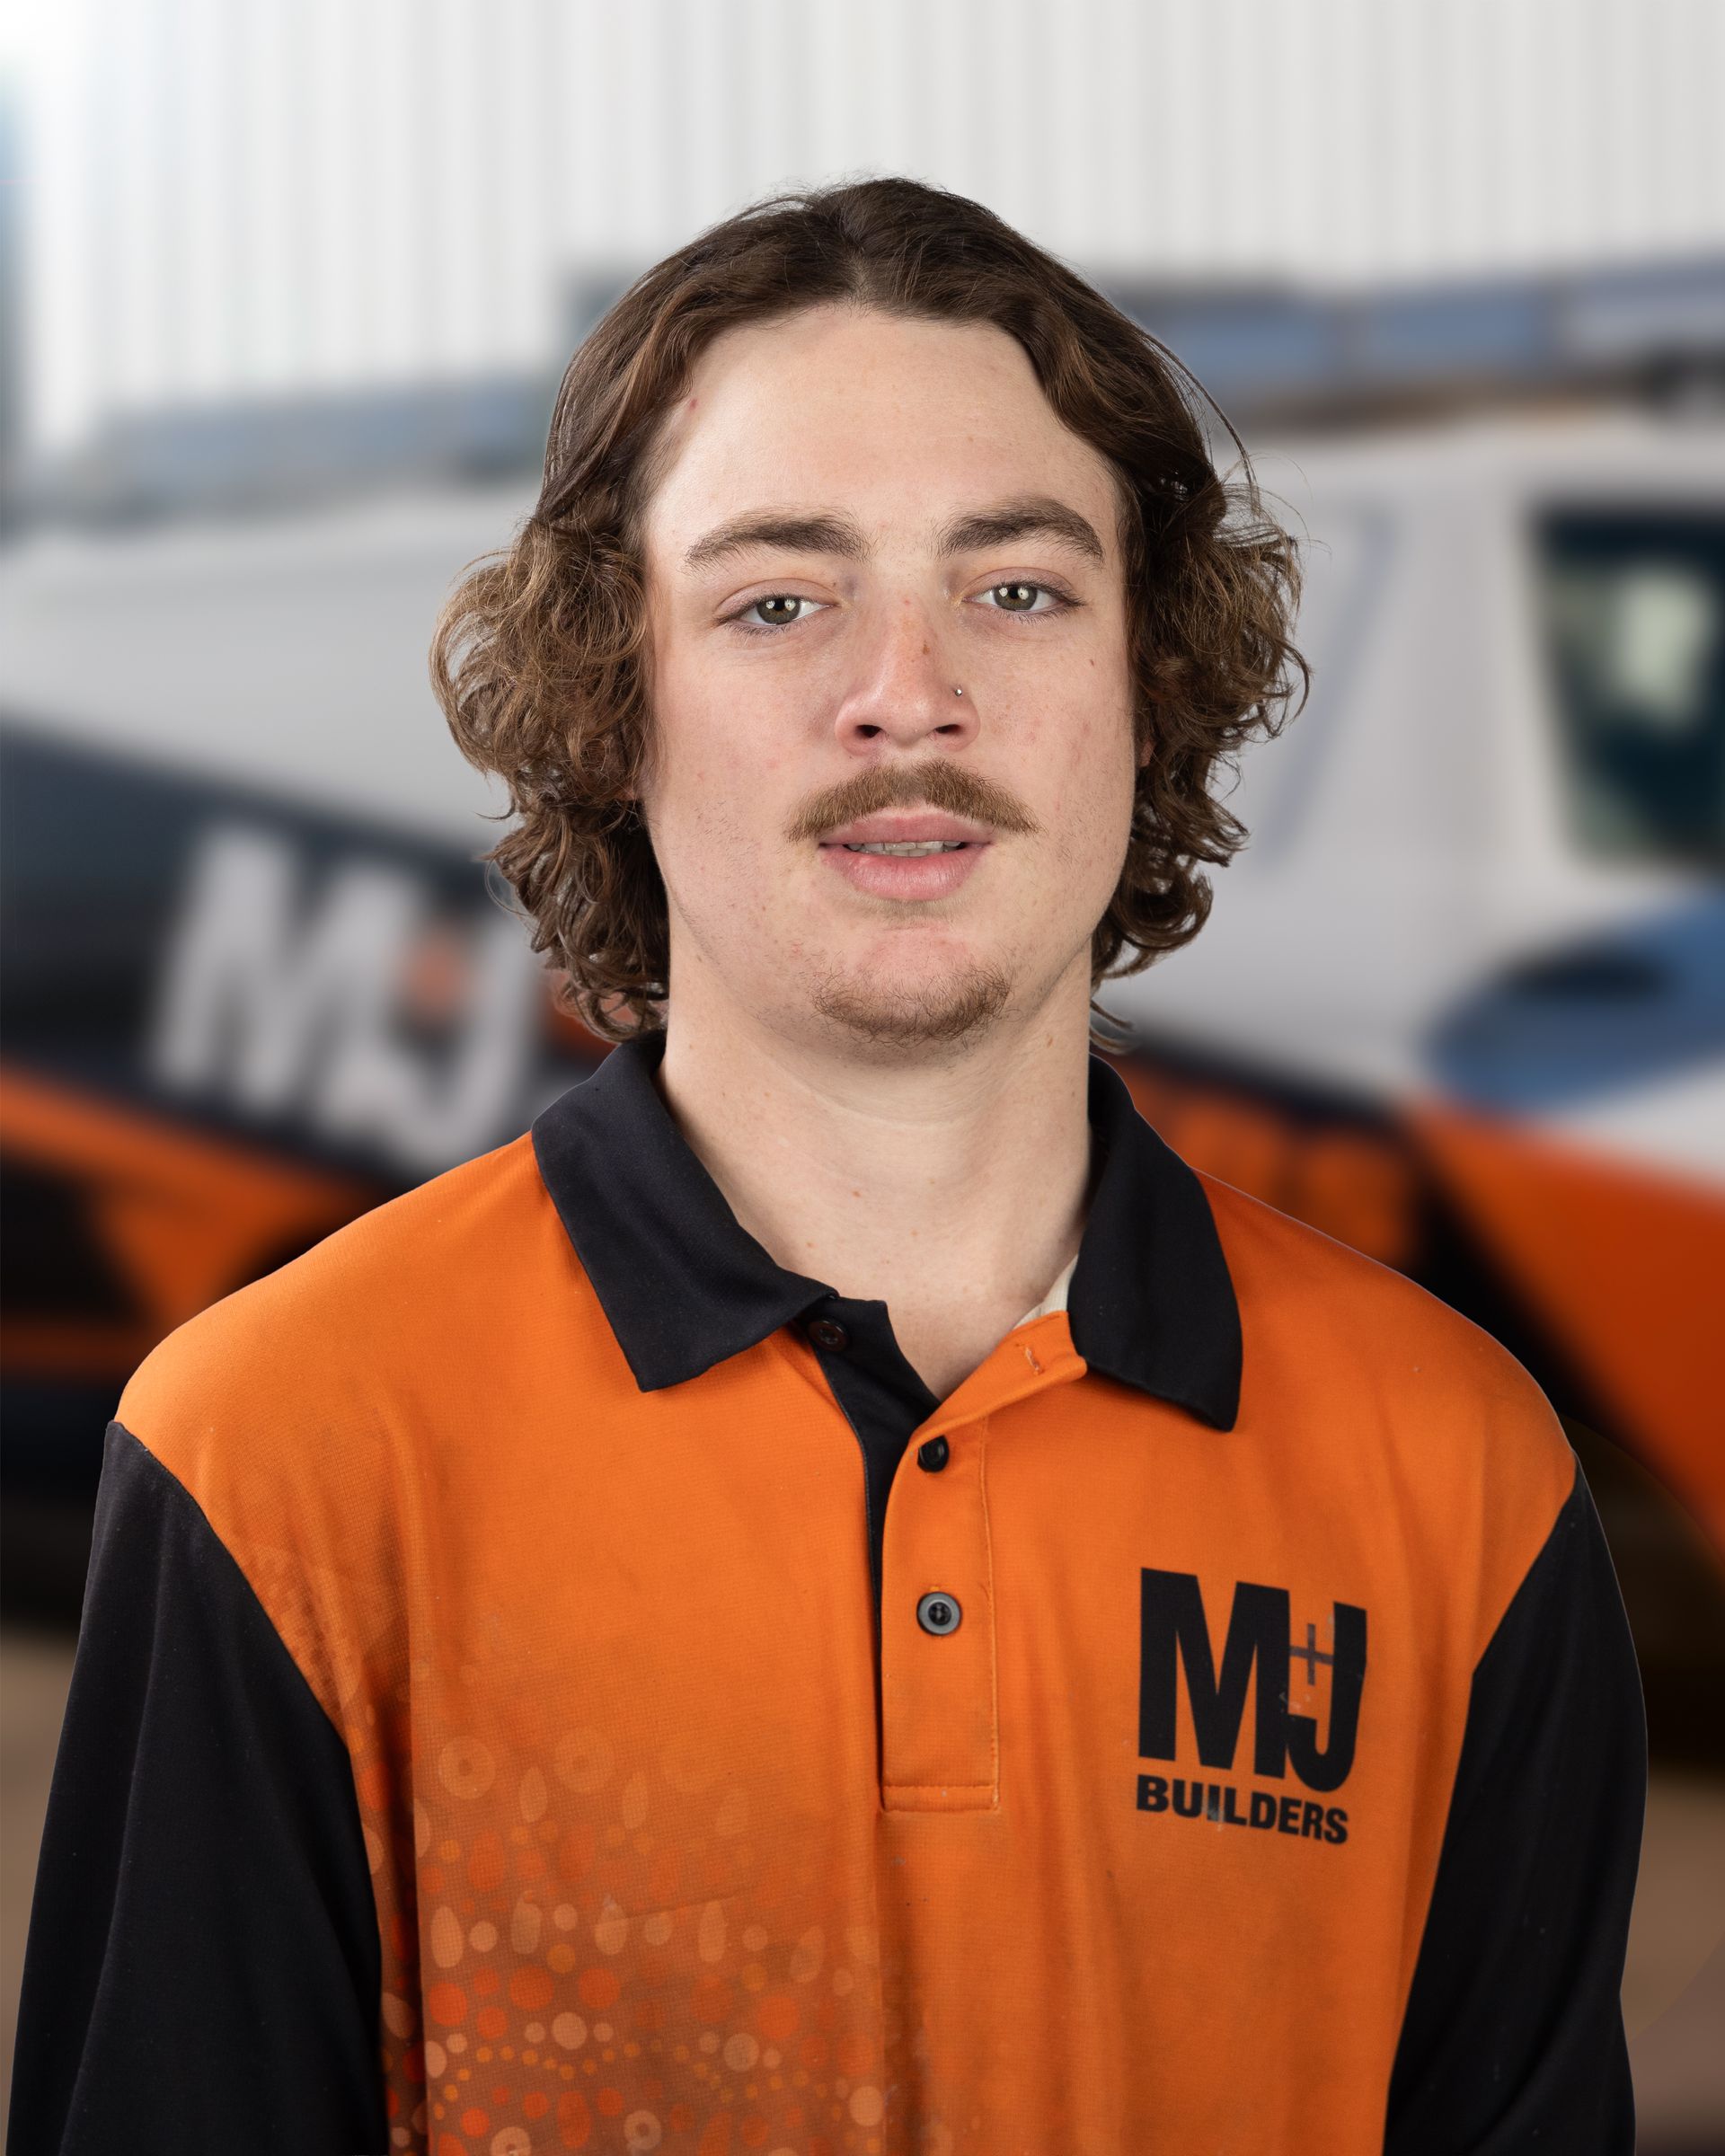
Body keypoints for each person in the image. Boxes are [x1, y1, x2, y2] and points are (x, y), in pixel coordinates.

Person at [9, 175, 1644, 2156]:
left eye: (1017, 588)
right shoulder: (277, 1458)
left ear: (1153, 684)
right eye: (780, 598)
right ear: (618, 699)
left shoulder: (1458, 1473)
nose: (910, 693)